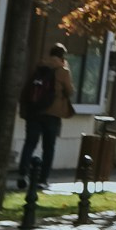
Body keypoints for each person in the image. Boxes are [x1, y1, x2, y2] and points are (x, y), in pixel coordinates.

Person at [16, 46, 75, 191]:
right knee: (48, 147)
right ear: (63, 58)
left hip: (34, 113)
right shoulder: (62, 71)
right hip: (52, 115)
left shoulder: (40, 68)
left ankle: (23, 174)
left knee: (30, 143)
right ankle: (43, 179)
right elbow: (70, 91)